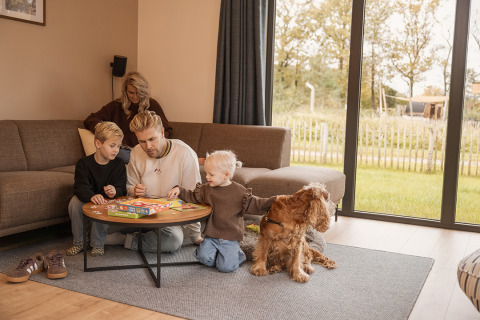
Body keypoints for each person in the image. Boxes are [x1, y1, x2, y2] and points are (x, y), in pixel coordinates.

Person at [105, 110, 203, 253]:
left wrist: (196, 236)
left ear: (162, 132)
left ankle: (124, 239)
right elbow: (129, 188)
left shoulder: (184, 153)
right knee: (100, 225)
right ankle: (143, 236)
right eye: (142, 141)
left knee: (174, 240)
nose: (148, 146)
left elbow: (194, 197)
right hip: (141, 213)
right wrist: (134, 190)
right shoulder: (136, 152)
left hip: (169, 218)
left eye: (152, 139)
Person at [167, 150, 275, 273]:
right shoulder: (206, 189)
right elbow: (192, 196)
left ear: (226, 175)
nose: (207, 177)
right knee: (202, 257)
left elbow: (257, 203)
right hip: (211, 236)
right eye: (207, 173)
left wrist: (275, 200)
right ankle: (222, 254)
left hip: (230, 237)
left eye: (211, 175)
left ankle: (239, 255)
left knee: (225, 267)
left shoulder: (239, 192)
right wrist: (179, 190)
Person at [84, 71, 173, 164]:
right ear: (125, 91)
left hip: (147, 149)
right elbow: (91, 119)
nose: (135, 97)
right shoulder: (116, 105)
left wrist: (153, 143)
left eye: (139, 93)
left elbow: (168, 131)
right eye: (131, 92)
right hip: (125, 151)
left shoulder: (152, 104)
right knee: (117, 154)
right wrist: (105, 132)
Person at [67, 122, 127, 257]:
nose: (116, 150)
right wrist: (91, 196)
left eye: (118, 146)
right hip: (87, 198)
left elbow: (122, 189)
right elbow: (80, 187)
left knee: (104, 204)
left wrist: (115, 191)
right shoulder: (83, 163)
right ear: (98, 144)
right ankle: (79, 242)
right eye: (112, 146)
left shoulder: (119, 164)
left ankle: (98, 244)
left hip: (107, 202)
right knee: (74, 202)